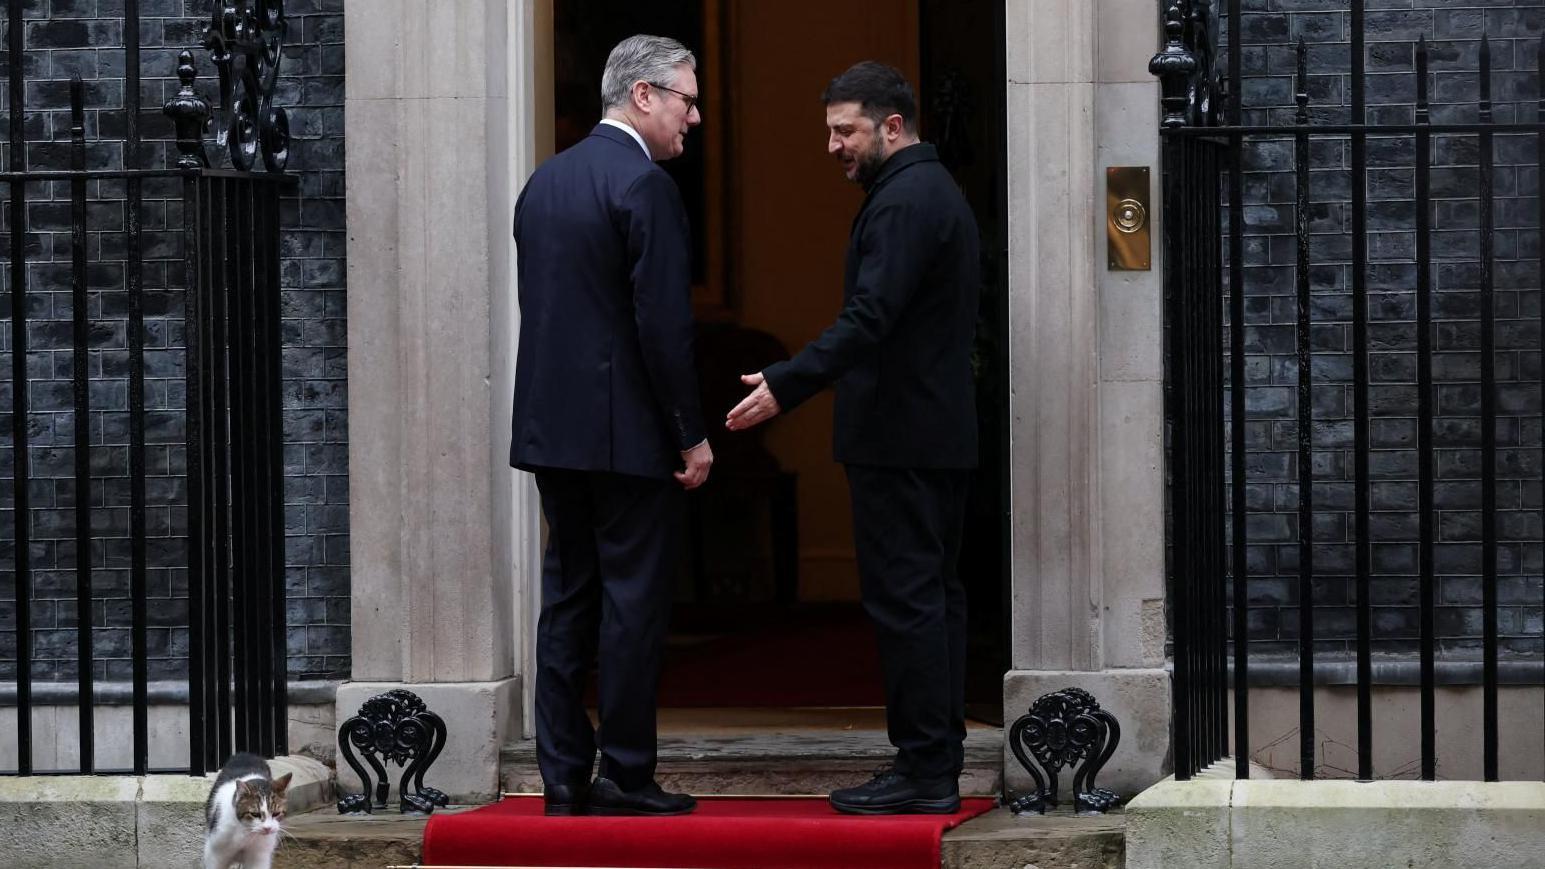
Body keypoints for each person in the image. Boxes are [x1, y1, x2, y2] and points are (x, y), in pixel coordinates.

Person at [726, 61, 979, 815]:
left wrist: (786, 383)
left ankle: (923, 771)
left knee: (908, 602)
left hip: (899, 438)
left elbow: (870, 318)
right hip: (928, 435)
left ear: (890, 127)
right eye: (829, 131)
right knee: (932, 599)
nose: (833, 145)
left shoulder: (903, 200)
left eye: (845, 131)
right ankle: (933, 761)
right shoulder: (926, 192)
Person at [510, 34, 712, 817]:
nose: (692, 118)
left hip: (552, 434)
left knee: (568, 597)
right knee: (631, 604)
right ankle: (626, 774)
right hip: (627, 437)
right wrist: (689, 434)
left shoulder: (544, 181)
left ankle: (562, 775)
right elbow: (662, 328)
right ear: (642, 96)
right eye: (685, 100)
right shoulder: (645, 185)